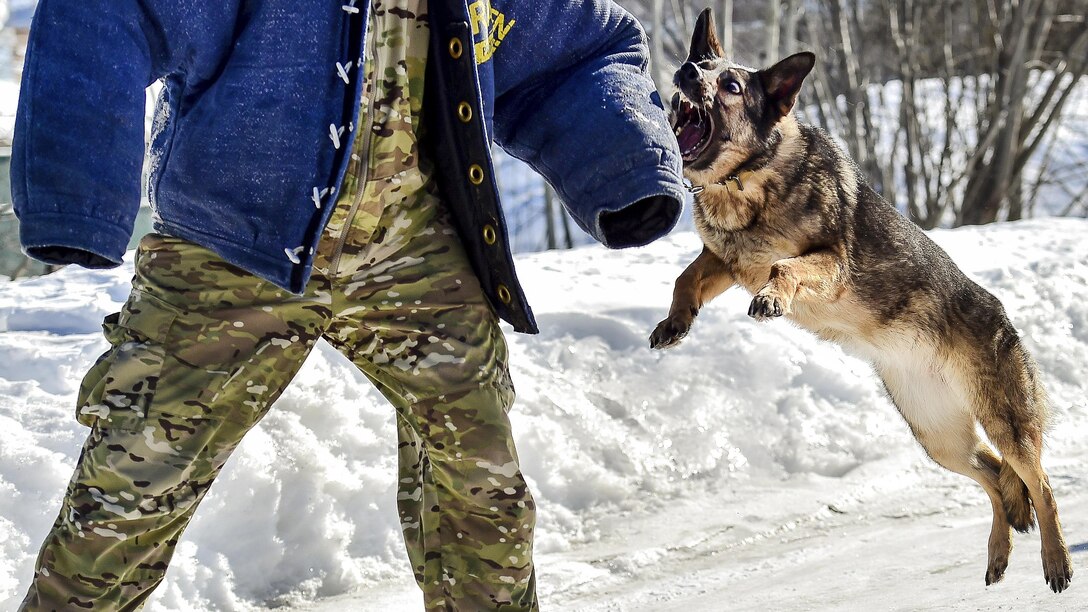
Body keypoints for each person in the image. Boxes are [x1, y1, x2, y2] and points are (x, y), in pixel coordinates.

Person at [12, 0, 684, 610]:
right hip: (234, 238)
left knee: (477, 474)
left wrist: (624, 168)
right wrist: (78, 198)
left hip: (410, 247)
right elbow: (108, 11)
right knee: (137, 474)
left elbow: (575, 51)